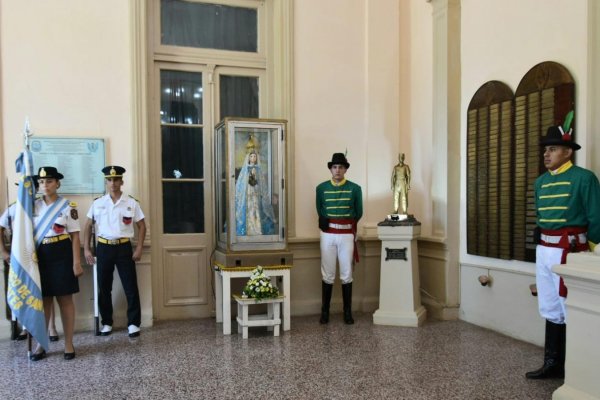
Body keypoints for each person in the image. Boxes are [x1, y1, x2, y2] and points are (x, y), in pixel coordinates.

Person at [526, 126, 600, 379]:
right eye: (546, 149)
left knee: (572, 306)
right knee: (550, 307)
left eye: (553, 149)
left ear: (567, 152)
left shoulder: (584, 178)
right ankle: (553, 364)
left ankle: (579, 370)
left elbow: (595, 217)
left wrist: (593, 252)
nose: (546, 154)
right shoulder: (540, 182)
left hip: (570, 251)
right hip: (545, 250)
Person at [84, 166, 146, 338]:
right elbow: (88, 226)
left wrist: (139, 247)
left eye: (116, 179)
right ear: (106, 182)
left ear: (121, 181)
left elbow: (142, 226)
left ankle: (133, 323)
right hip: (103, 247)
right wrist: (87, 248)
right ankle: (107, 322)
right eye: (109, 180)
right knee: (104, 287)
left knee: (130, 286)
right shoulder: (98, 203)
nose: (113, 183)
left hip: (123, 247)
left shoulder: (131, 202)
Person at [30, 167, 83, 361]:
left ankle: (68, 343)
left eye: (49, 181)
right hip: (40, 255)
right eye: (42, 182)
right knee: (44, 302)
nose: (45, 185)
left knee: (65, 299)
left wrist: (76, 262)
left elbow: (75, 236)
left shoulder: (68, 206)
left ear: (57, 183)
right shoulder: (33, 206)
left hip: (62, 253)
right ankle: (40, 344)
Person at [1, 179, 60, 342]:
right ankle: (27, 327)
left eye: (31, 189)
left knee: (47, 291)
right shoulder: (15, 208)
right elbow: (1, 226)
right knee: (25, 290)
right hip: (22, 258)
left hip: (42, 254)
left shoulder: (42, 207)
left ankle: (51, 327)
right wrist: (4, 251)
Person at [316, 153, 363, 324]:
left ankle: (347, 312)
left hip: (346, 235)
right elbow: (320, 209)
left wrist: (346, 226)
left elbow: (358, 212)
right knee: (327, 273)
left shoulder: (355, 189)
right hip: (327, 234)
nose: (337, 170)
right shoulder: (321, 189)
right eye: (335, 167)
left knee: (346, 273)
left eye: (341, 167)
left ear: (345, 169)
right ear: (330, 169)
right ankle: (325, 311)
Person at [234, 136, 276, 236]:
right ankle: (248, 228)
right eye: (251, 156)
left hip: (255, 191)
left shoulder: (257, 169)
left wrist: (259, 189)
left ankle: (256, 228)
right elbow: (242, 182)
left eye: (254, 156)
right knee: (248, 208)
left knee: (256, 208)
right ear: (248, 158)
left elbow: (260, 182)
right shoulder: (246, 169)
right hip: (248, 192)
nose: (253, 158)